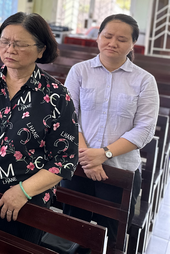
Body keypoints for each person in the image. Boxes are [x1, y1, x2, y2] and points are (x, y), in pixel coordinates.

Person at [0, 12, 78, 253]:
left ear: (41, 50)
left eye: (19, 44)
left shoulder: (57, 96)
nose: (10, 49)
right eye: (4, 41)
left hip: (26, 201)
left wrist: (22, 191)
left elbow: (64, 160)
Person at [62, 14, 159, 246]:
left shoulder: (145, 81)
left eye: (122, 39)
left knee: (112, 236)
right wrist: (88, 158)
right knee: (72, 233)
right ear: (98, 37)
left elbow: (145, 129)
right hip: (78, 166)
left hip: (119, 170)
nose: (112, 43)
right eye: (107, 36)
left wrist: (103, 154)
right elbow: (67, 117)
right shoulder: (79, 71)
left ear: (133, 44)